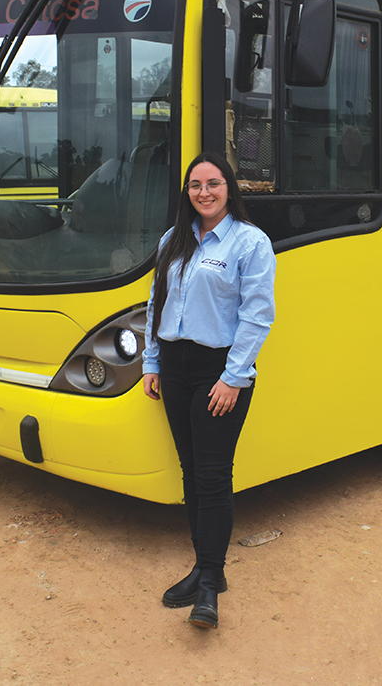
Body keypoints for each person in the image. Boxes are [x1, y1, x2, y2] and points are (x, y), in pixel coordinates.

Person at [142, 152, 275, 629]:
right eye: (195, 185)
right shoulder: (172, 240)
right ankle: (204, 567)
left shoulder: (249, 243)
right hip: (175, 367)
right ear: (187, 192)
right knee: (192, 473)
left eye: (213, 184)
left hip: (219, 369)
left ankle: (209, 586)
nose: (204, 193)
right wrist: (151, 363)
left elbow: (257, 315)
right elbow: (155, 304)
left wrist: (233, 377)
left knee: (214, 474)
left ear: (229, 188)